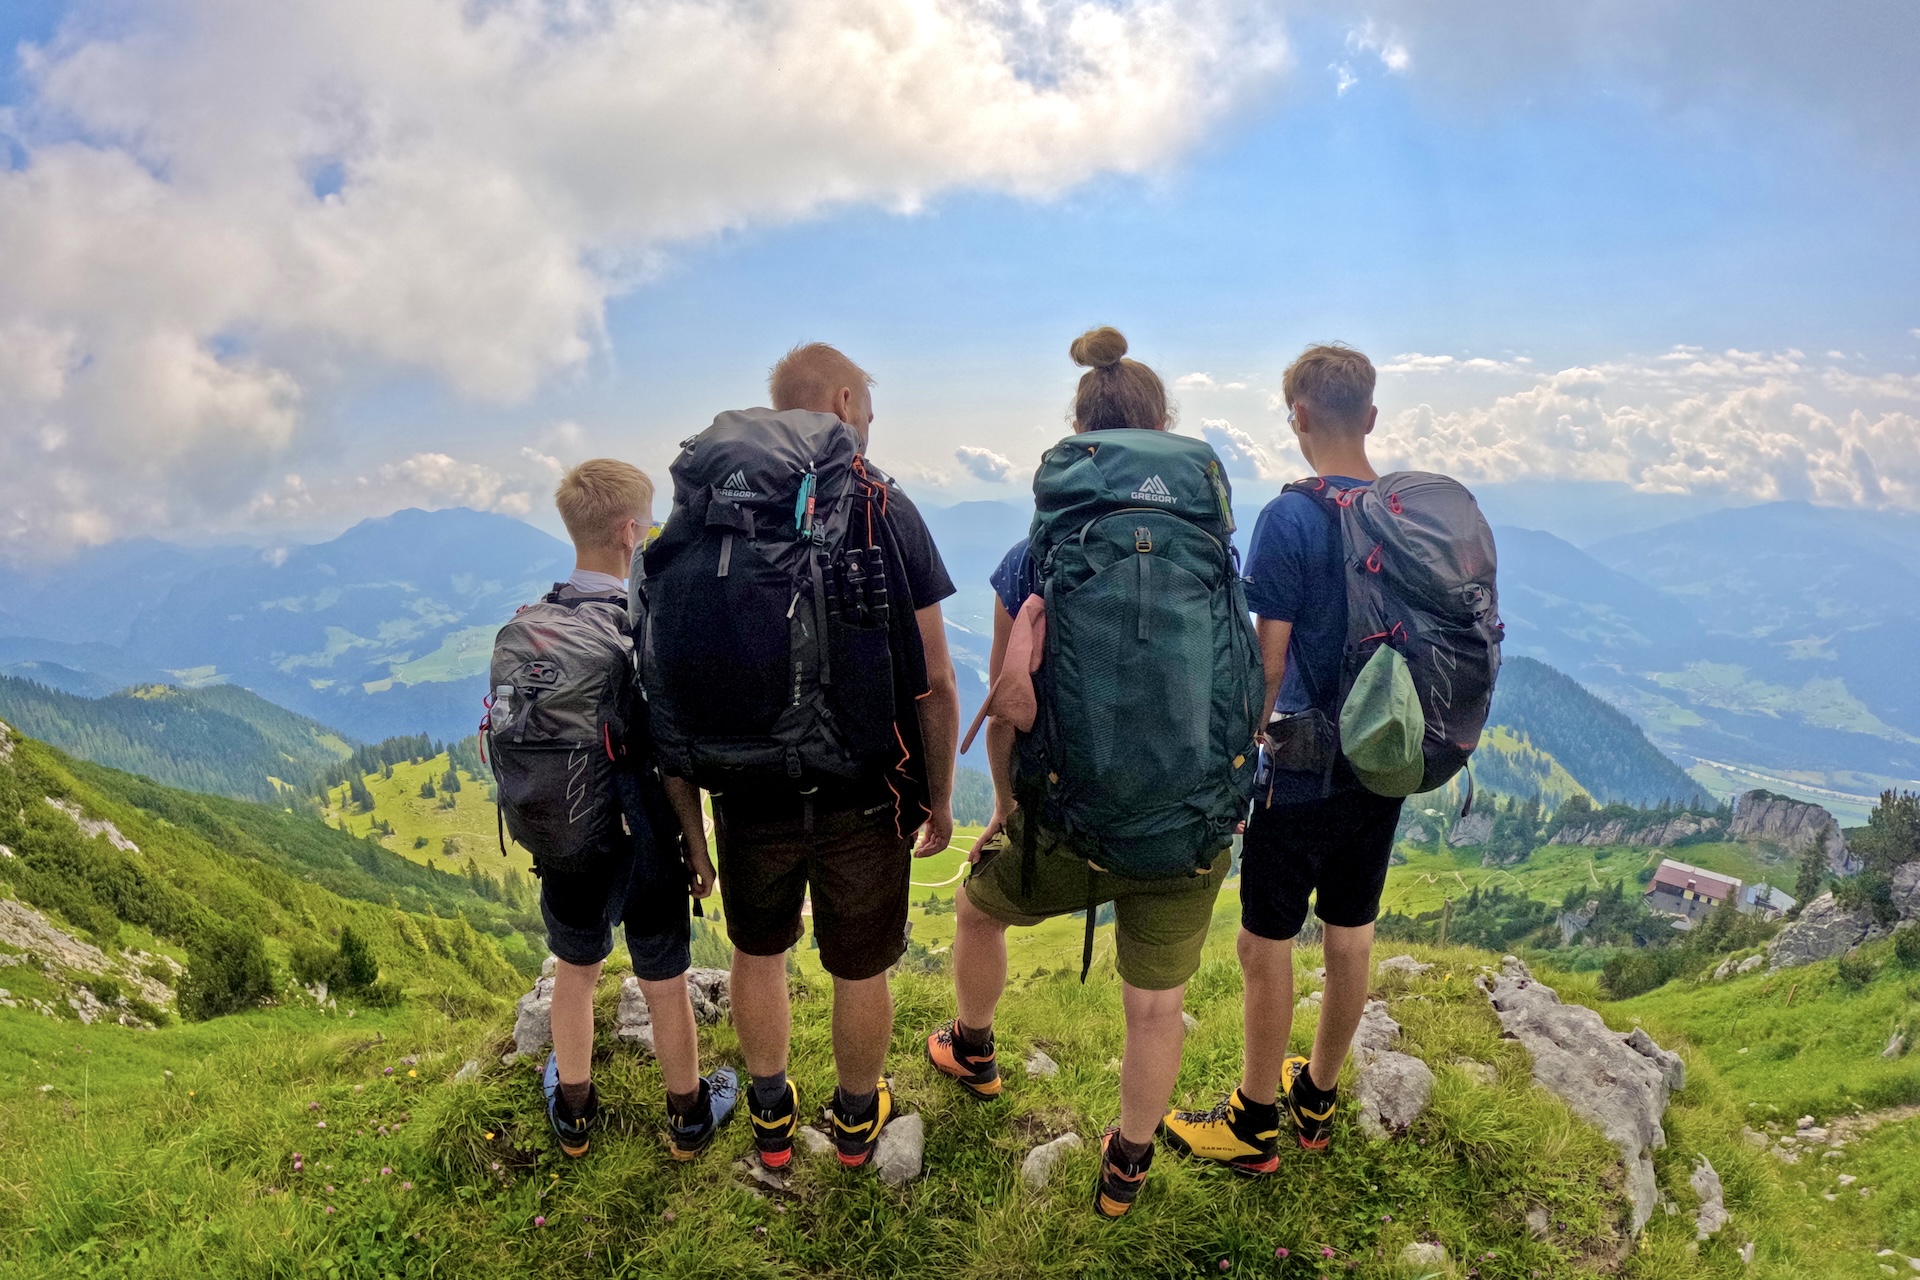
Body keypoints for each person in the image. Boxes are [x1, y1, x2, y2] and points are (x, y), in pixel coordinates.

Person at [925, 327, 1239, 1219]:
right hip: (1186, 825)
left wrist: (1009, 812)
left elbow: (1005, 702)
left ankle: (974, 1049)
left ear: (1079, 431)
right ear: (1163, 426)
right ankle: (1127, 1165)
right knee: (1155, 1007)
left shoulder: (1034, 558)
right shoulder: (1212, 550)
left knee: (977, 908)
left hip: (1069, 820)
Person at [669, 344, 961, 1172]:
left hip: (744, 781)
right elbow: (934, 679)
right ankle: (858, 1120)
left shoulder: (710, 507)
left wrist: (694, 824)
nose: (868, 425)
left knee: (759, 953)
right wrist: (937, 799)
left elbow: (672, 666)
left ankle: (769, 1115)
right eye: (866, 409)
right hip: (860, 788)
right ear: (842, 400)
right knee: (859, 963)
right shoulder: (880, 503)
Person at [1161, 343, 1400, 1170]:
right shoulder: (1407, 515)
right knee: (1351, 933)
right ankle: (1318, 1098)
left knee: (1266, 945)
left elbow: (1268, 662)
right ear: (1370, 417)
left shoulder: (1290, 518)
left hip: (1298, 771)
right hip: (1383, 763)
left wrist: (1241, 753)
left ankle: (1254, 1120)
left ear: (1297, 416)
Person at [535, 460, 738, 1161]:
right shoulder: (636, 629)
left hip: (563, 832)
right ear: (630, 533)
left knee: (576, 968)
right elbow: (671, 750)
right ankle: (687, 1116)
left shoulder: (535, 626)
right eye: (646, 523)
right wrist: (696, 846)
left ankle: (575, 1109)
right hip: (641, 832)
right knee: (662, 979)